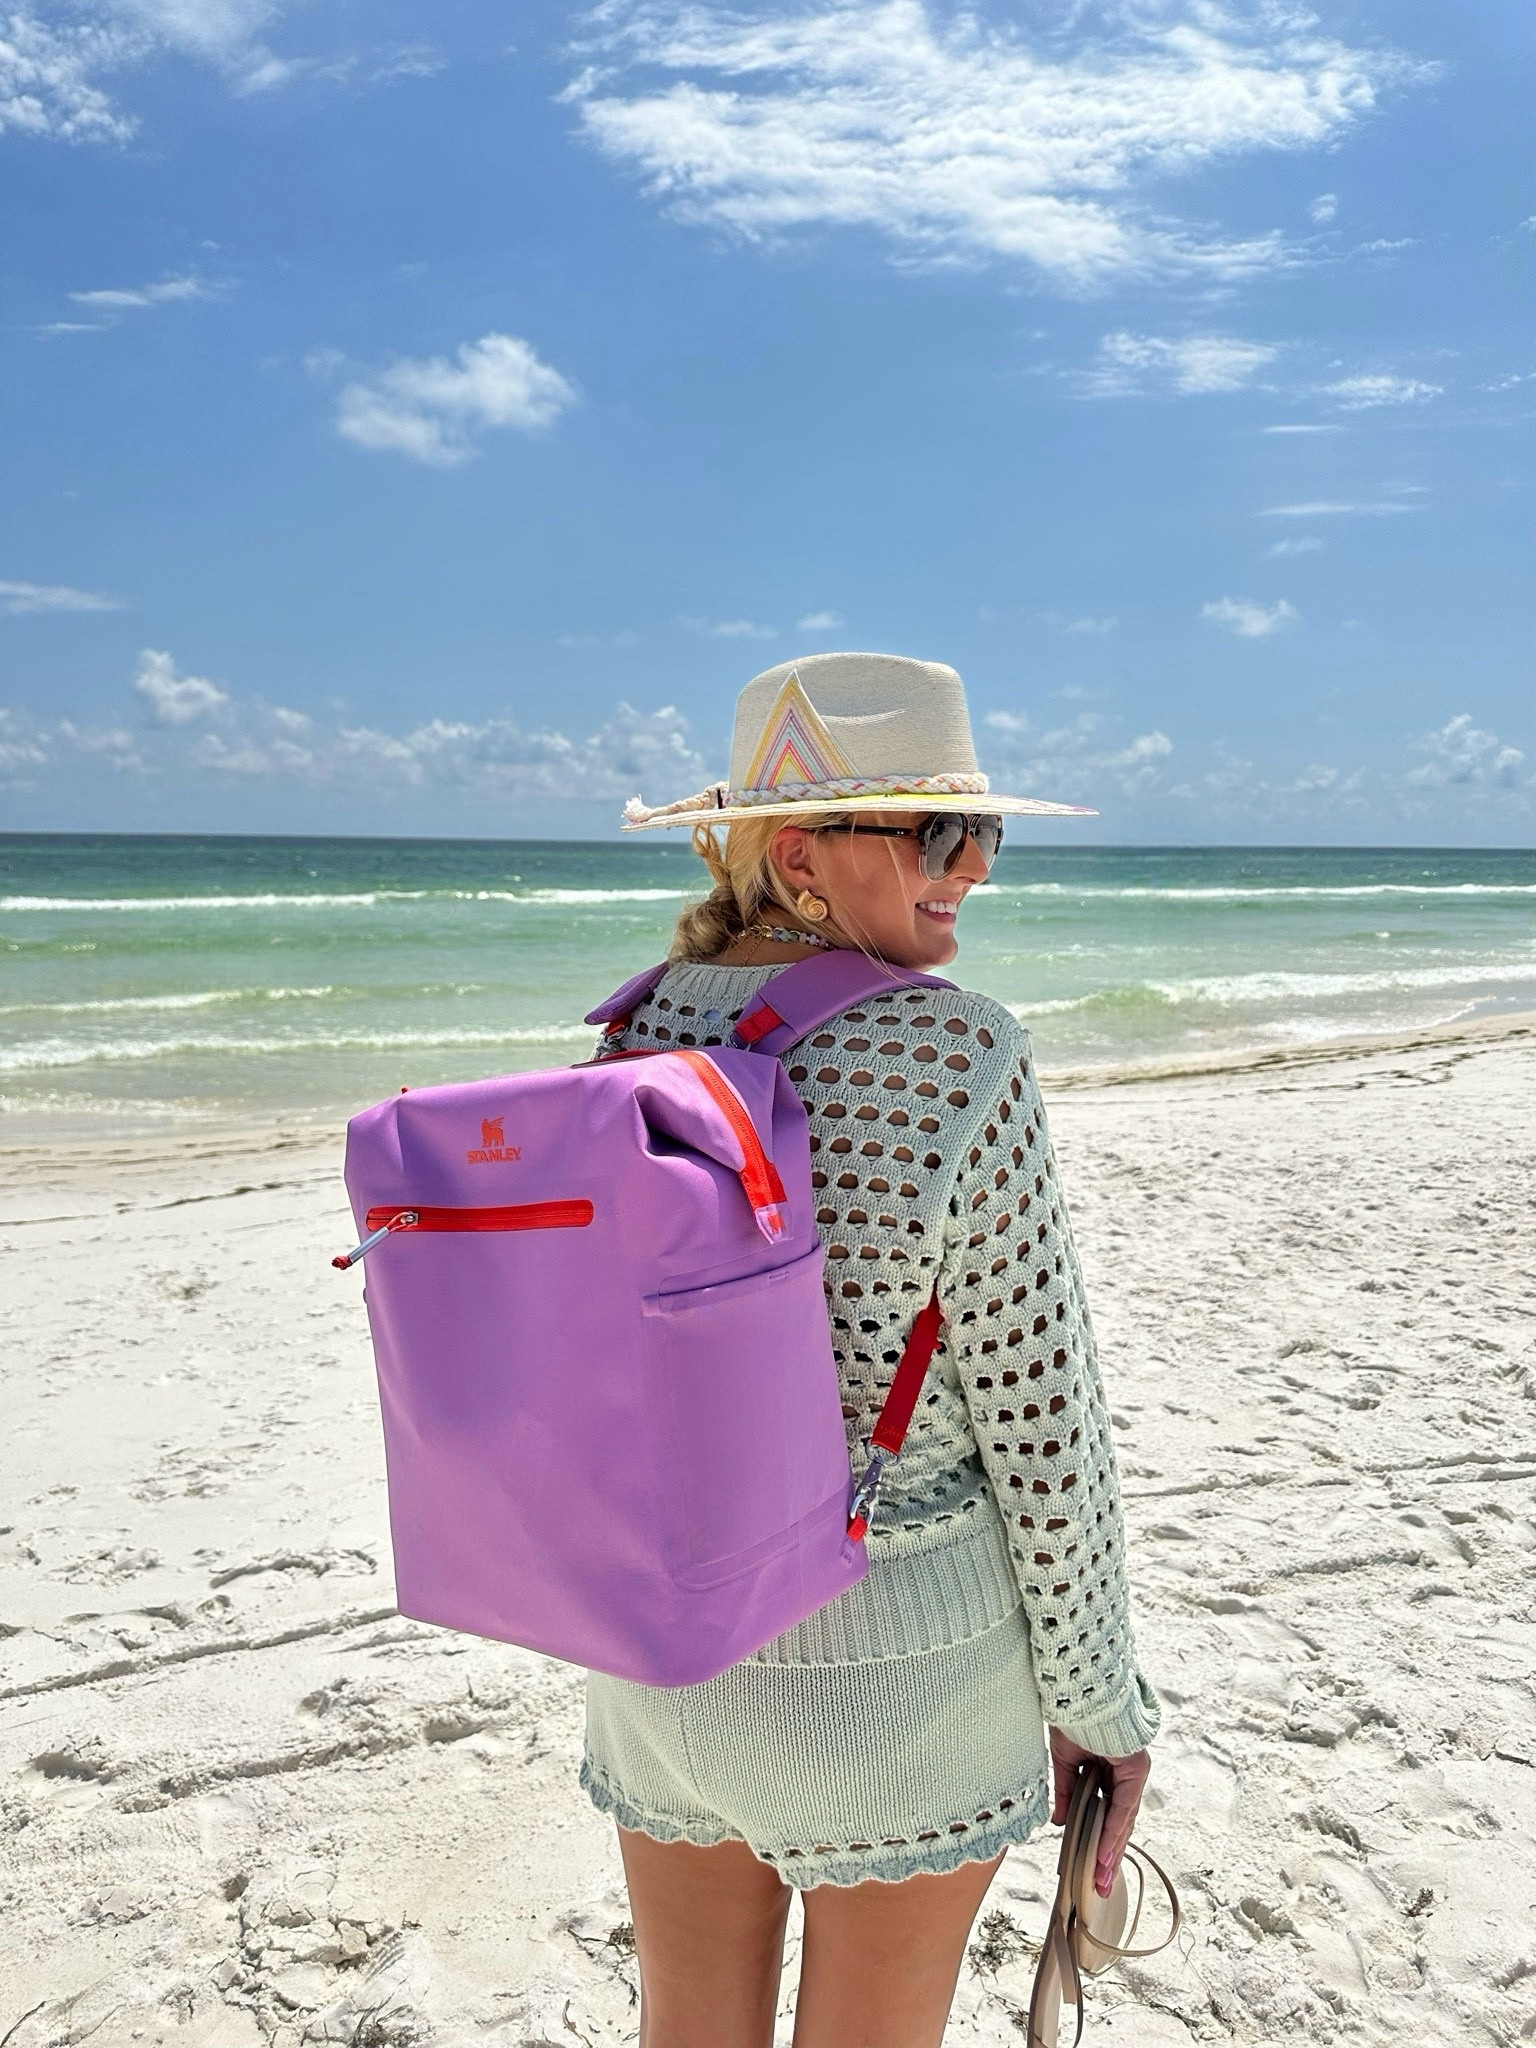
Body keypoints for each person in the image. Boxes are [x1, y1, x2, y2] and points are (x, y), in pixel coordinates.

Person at [584, 653, 1160, 2047]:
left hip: (670, 1661)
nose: (972, 868)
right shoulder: (959, 1054)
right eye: (937, 835)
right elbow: (1045, 1433)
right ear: (797, 859)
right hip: (897, 1678)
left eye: (983, 835)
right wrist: (1101, 1707)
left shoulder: (628, 1035)